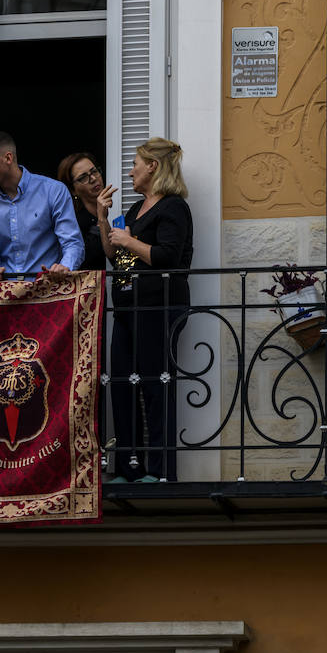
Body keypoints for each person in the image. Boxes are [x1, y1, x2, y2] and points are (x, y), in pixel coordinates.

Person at [96, 137, 193, 483]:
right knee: (122, 385)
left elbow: (167, 256)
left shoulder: (173, 207)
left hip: (159, 305)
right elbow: (116, 255)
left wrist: (130, 241)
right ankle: (126, 469)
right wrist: (103, 218)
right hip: (127, 306)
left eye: (136, 163)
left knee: (155, 384)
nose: (130, 170)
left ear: (153, 166)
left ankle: (160, 471)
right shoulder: (136, 210)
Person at [0, 130, 83, 282]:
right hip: (5, 296)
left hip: (48, 291)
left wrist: (65, 267)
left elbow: (72, 243)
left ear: (8, 158)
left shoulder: (53, 191)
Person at [56, 151, 111, 272]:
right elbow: (85, 258)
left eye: (94, 171)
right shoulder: (72, 220)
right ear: (73, 189)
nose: (93, 179)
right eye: (83, 177)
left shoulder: (109, 206)